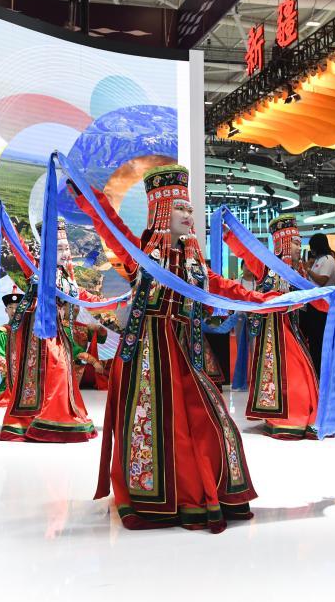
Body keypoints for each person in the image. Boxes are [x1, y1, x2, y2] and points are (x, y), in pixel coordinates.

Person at [72, 165, 284, 533]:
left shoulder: (194, 266)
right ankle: (158, 498)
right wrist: (88, 197)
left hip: (184, 352)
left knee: (211, 422)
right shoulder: (140, 255)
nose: (189, 215)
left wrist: (271, 301)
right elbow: (110, 226)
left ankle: (199, 492)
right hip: (147, 356)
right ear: (161, 212)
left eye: (190, 209)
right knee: (157, 427)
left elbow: (229, 289)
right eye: (181, 208)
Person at [0, 220, 101, 442]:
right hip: (36, 334)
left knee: (61, 372)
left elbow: (86, 297)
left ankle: (53, 418)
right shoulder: (36, 269)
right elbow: (19, 248)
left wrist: (117, 301)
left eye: (66, 248)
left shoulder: (66, 278)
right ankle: (45, 421)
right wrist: (5, 224)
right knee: (53, 372)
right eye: (59, 249)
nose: (65, 253)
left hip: (56, 333)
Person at [223, 214, 320, 439]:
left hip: (291, 329)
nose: (299, 247)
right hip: (273, 332)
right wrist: (227, 233)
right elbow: (245, 252)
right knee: (290, 373)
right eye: (295, 242)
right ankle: (286, 418)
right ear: (283, 242)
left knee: (299, 372)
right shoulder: (267, 266)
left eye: (300, 242)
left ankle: (298, 417)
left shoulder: (298, 272)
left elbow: (315, 298)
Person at [302, 233, 335, 374]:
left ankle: (321, 371)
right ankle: (315, 370)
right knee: (314, 339)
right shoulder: (319, 260)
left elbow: (322, 280)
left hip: (323, 306)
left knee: (320, 339)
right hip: (314, 305)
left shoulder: (328, 259)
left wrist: (308, 270)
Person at [0, 287, 24, 407]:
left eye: (17, 307)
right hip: (10, 381)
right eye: (10, 307)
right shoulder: (3, 332)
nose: (14, 310)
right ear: (6, 310)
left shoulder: (31, 331)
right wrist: (8, 365)